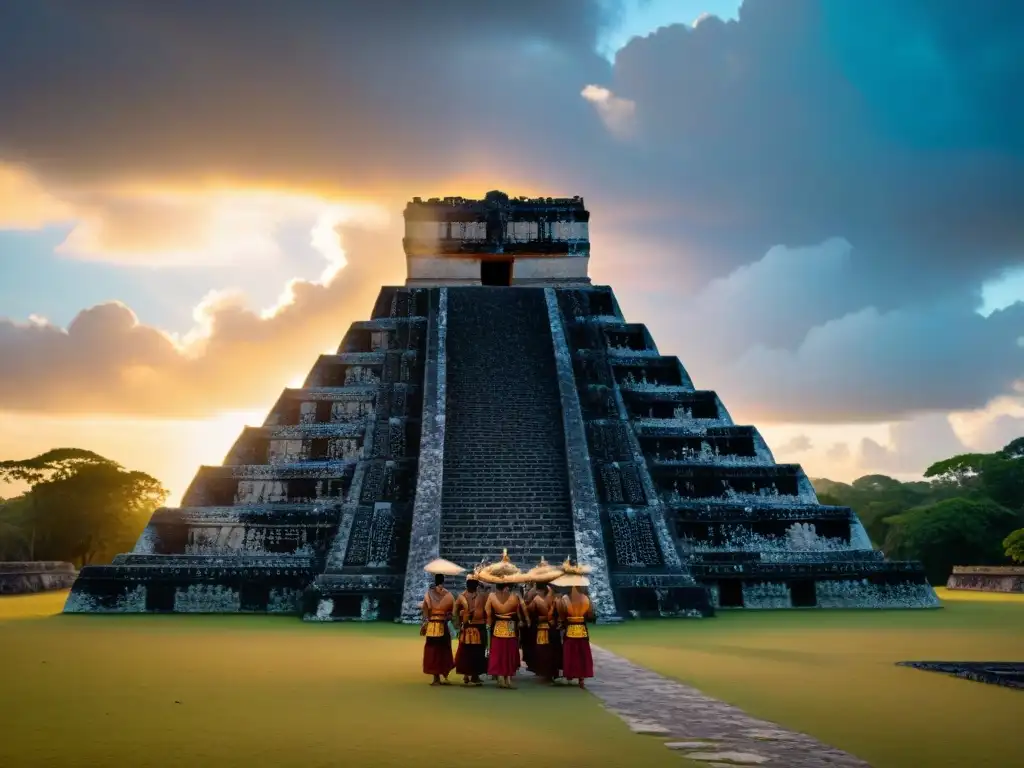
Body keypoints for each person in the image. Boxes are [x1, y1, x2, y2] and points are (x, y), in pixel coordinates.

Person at [485, 577, 530, 689]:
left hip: (499, 625)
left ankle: (502, 676)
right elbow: (523, 608)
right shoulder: (515, 596)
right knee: (508, 651)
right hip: (509, 625)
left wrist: (488, 624)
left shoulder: (492, 596)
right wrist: (527, 620)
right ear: (507, 586)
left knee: (499, 651)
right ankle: (506, 678)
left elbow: (488, 611)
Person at [421, 573, 455, 685]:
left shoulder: (428, 594)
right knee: (444, 650)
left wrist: (425, 623)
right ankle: (443, 673)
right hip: (442, 624)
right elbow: (451, 613)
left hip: (432, 626)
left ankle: (436, 677)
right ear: (443, 581)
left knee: (432, 651)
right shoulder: (448, 595)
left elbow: (425, 612)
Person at [454, 574, 488, 686]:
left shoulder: (483, 596)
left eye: (474, 583)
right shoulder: (461, 597)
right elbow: (455, 612)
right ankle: (466, 674)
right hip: (467, 627)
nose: (472, 586)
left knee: (478, 652)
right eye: (470, 583)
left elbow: (487, 610)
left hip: (480, 626)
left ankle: (475, 675)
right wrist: (459, 622)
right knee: (466, 652)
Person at [560, 582, 595, 688]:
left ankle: (570, 675)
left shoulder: (564, 599)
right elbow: (590, 615)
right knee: (582, 654)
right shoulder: (586, 598)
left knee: (570, 654)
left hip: (570, 629)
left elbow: (562, 615)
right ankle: (581, 679)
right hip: (582, 630)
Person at [528, 582, 562, 684]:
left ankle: (546, 673)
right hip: (553, 627)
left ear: (540, 590)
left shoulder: (536, 599)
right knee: (553, 650)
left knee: (543, 651)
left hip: (542, 628)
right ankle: (554, 672)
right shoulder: (555, 598)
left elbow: (530, 610)